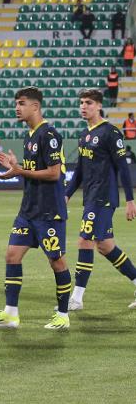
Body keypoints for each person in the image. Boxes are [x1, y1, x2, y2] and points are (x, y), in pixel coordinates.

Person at [0, 87, 71, 331]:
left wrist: (21, 171)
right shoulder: (29, 136)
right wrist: (16, 168)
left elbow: (54, 173)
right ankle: (11, 314)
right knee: (12, 255)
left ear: (35, 106)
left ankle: (63, 315)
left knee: (57, 262)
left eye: (21, 103)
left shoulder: (49, 134)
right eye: (16, 103)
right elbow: (32, 172)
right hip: (28, 211)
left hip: (49, 213)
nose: (17, 108)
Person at [65, 88, 136, 311]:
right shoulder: (84, 136)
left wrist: (130, 200)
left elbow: (123, 168)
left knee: (84, 240)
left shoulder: (110, 133)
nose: (83, 106)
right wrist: (66, 194)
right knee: (105, 246)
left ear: (98, 106)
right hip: (91, 197)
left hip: (104, 197)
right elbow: (79, 171)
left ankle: (76, 298)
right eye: (81, 103)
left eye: (88, 103)